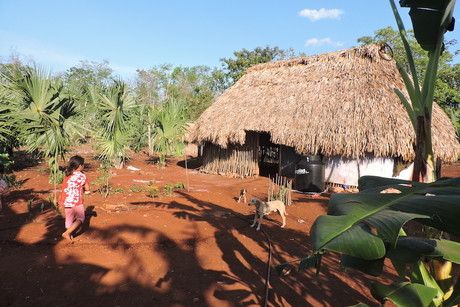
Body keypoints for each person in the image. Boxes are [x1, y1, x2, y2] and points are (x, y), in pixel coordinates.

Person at [59, 155, 90, 242]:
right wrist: (84, 188)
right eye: (83, 164)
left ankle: (70, 236)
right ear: (80, 165)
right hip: (76, 201)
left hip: (66, 201)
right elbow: (87, 189)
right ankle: (67, 233)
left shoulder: (68, 175)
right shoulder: (82, 176)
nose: (83, 166)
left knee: (69, 219)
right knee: (80, 218)